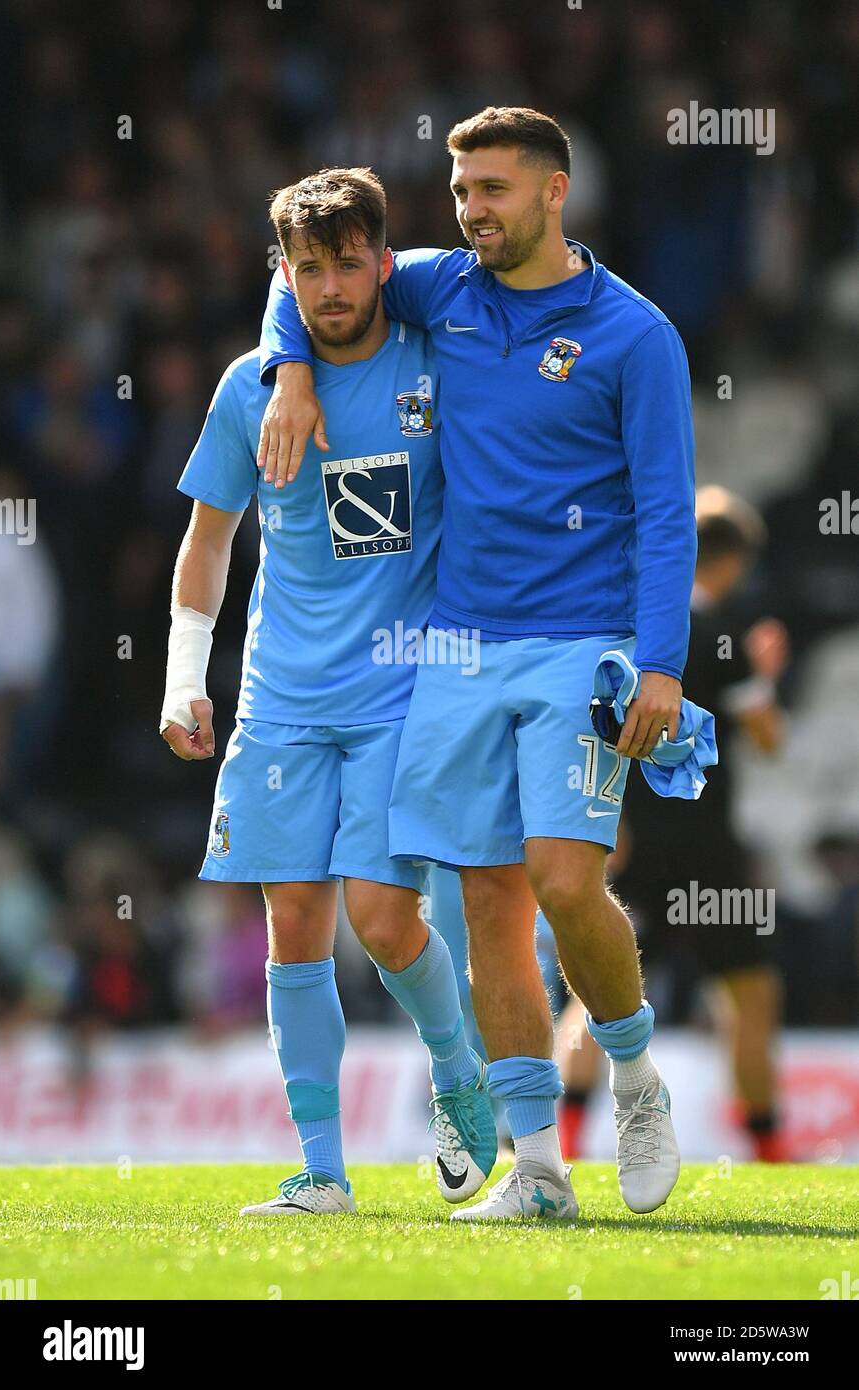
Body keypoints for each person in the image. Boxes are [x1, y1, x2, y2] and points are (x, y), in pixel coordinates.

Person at [257, 107, 697, 1220]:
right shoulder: (442, 287)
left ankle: (635, 1076)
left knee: (561, 881)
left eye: (492, 190)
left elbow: (664, 511)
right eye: (460, 193)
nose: (470, 212)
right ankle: (537, 1172)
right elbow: (307, 269)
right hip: (457, 648)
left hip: (580, 644)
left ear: (554, 192)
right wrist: (293, 370)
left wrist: (660, 663)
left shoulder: (633, 334)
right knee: (488, 909)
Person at [159, 167, 495, 1217]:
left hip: (402, 692)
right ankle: (322, 1172)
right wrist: (182, 673)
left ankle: (458, 1069)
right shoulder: (250, 385)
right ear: (286, 275)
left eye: (349, 261)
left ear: (382, 260)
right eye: (308, 267)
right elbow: (207, 540)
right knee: (291, 923)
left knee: (386, 922)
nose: (331, 285)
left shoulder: (440, 359)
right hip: (279, 700)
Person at [557, 487, 789, 1162]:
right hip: (707, 846)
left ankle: (564, 1141)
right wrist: (766, 678)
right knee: (751, 991)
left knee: (601, 995)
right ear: (736, 561)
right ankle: (770, 1149)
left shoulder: (634, 628)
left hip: (633, 837)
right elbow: (768, 738)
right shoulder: (723, 633)